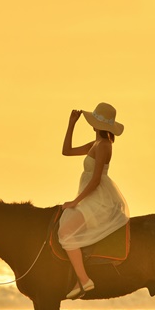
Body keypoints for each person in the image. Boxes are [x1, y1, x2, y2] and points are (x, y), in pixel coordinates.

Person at [59, 103, 130, 299]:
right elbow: (66, 151)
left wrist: (75, 202)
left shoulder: (104, 146)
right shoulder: (95, 144)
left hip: (98, 200)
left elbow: (96, 179)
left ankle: (84, 280)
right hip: (91, 197)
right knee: (69, 229)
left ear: (97, 124)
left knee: (65, 232)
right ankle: (78, 279)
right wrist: (71, 124)